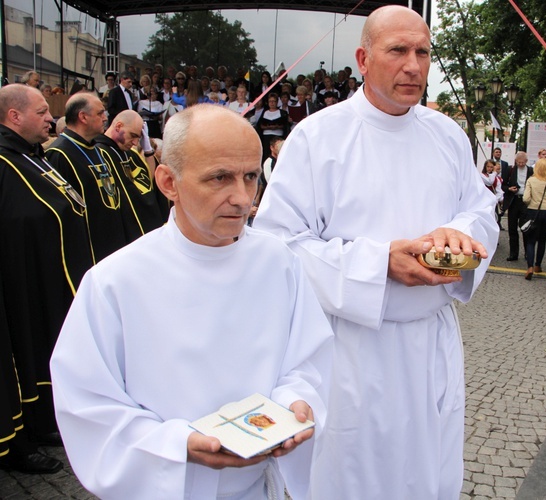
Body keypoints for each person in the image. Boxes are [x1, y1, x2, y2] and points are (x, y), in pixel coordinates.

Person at [254, 6, 498, 498]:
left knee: (426, 475)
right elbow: (279, 245)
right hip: (351, 350)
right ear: (364, 59)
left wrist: (457, 233)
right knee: (351, 477)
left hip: (431, 345)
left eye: (423, 52)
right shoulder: (317, 137)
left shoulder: (447, 135)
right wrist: (377, 262)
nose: (414, 65)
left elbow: (480, 210)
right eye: (398, 51)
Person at [50, 104, 334, 499]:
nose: (242, 198)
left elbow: (307, 360)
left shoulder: (279, 261)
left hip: (255, 486)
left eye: (250, 177)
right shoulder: (115, 282)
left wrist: (293, 403)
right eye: (220, 178)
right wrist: (177, 444)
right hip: (172, 484)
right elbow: (88, 405)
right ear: (168, 182)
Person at [0, 84, 93, 474]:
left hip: (51, 272)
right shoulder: (5, 160)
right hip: (20, 278)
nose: (50, 118)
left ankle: (41, 423)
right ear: (14, 116)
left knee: (44, 346)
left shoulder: (31, 156)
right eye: (41, 112)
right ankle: (17, 442)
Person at [46, 91, 129, 262]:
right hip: (89, 248)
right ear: (83, 117)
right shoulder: (59, 154)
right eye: (100, 113)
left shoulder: (98, 149)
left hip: (112, 241)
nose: (105, 118)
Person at [94, 110, 169, 240]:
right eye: (133, 135)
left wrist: (148, 151)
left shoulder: (130, 153)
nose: (135, 142)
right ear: (118, 126)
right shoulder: (99, 152)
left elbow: (148, 181)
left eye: (138, 138)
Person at [522, 158, 546, 279]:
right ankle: (538, 265)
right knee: (542, 240)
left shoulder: (531, 180)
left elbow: (526, 198)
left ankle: (530, 267)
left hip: (533, 211)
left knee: (531, 241)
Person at [501, 151, 533, 261]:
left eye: (523, 163)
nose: (520, 164)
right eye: (519, 162)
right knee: (512, 228)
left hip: (526, 202)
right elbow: (503, 185)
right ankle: (513, 253)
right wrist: (509, 189)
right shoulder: (510, 170)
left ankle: (527, 253)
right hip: (513, 201)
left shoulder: (531, 171)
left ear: (526, 161)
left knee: (525, 228)